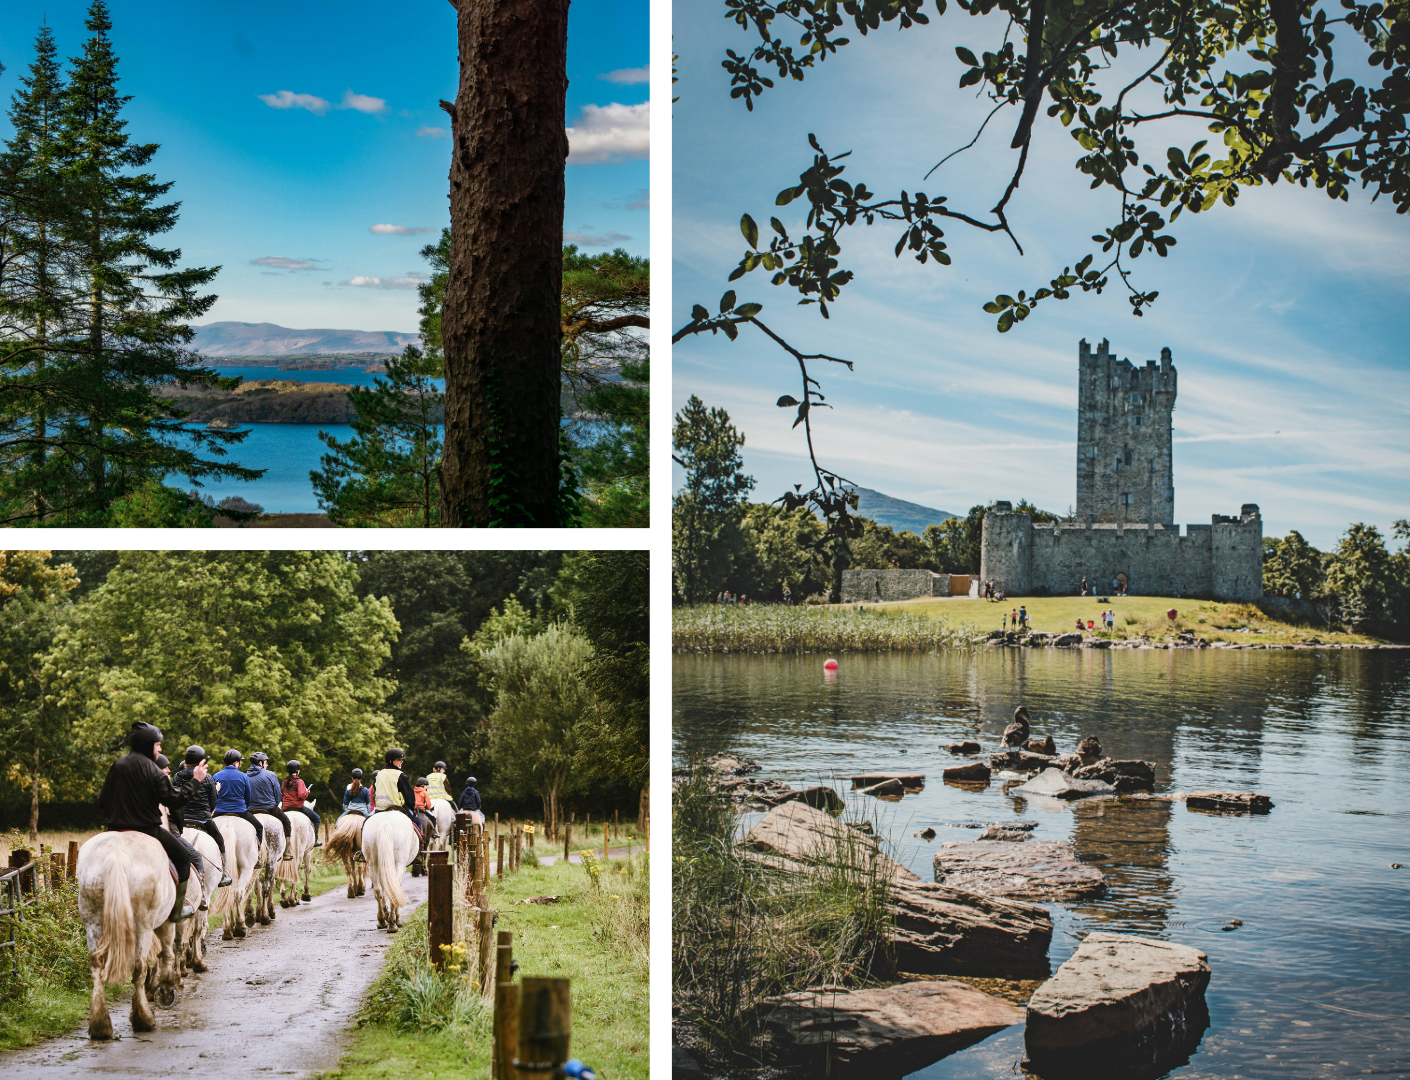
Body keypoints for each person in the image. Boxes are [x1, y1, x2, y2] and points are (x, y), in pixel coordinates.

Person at [97, 722, 205, 924]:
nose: (160, 749)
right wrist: (196, 780)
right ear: (148, 745)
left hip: (113, 829)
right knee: (183, 857)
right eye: (157, 745)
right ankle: (177, 910)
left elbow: (101, 800)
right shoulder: (153, 770)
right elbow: (176, 800)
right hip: (147, 830)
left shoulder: (118, 765)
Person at [172, 745, 232, 887]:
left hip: (182, 820)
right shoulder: (207, 777)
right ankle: (223, 874)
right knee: (220, 840)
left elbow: (174, 799)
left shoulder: (177, 776)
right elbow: (213, 802)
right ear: (200, 761)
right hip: (203, 819)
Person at [374, 748, 428, 851]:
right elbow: (409, 796)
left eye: (401, 759)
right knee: (417, 822)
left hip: (379, 810)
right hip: (397, 809)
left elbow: (375, 790)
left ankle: (362, 851)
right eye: (399, 759)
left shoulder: (379, 774)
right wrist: (411, 807)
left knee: (365, 824)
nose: (401, 761)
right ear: (390, 761)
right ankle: (420, 851)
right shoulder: (400, 775)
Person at [212, 749, 265, 845]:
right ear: (235, 762)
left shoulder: (216, 776)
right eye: (239, 762)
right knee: (259, 827)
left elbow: (212, 796)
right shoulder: (243, 776)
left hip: (220, 810)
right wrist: (245, 807)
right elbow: (248, 797)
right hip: (240, 811)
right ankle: (258, 851)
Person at [246, 752, 294, 859]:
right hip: (270, 808)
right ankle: (287, 852)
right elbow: (278, 794)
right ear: (260, 763)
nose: (267, 765)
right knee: (286, 822)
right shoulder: (270, 774)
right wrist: (275, 804)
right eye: (266, 762)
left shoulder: (245, 776)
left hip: (250, 810)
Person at [281, 761, 322, 845]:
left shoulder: (284, 782)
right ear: (297, 770)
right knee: (317, 819)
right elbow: (301, 795)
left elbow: (282, 793)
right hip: (298, 807)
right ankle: (314, 841)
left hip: (285, 808)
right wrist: (307, 792)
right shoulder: (300, 782)